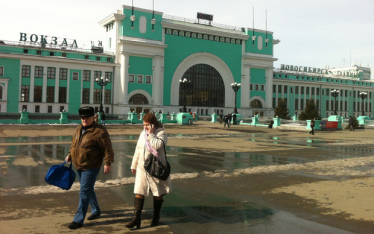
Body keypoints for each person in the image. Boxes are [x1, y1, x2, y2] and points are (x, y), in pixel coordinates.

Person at [65, 106, 114, 229]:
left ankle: (78, 219)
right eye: (82, 118)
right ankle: (96, 210)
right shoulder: (78, 129)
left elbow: (107, 149)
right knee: (88, 189)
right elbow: (74, 144)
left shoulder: (100, 131)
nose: (84, 120)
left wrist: (107, 163)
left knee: (84, 191)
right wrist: (70, 154)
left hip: (92, 166)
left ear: (93, 117)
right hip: (79, 164)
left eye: (87, 118)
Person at [126, 113, 171, 229]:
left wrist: (151, 135)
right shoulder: (142, 134)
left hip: (156, 168)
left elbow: (158, 146)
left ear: (153, 124)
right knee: (139, 192)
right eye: (144, 125)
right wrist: (134, 165)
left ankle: (156, 217)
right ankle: (136, 219)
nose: (145, 127)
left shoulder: (162, 133)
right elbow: (138, 149)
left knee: (158, 193)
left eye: (147, 125)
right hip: (142, 168)